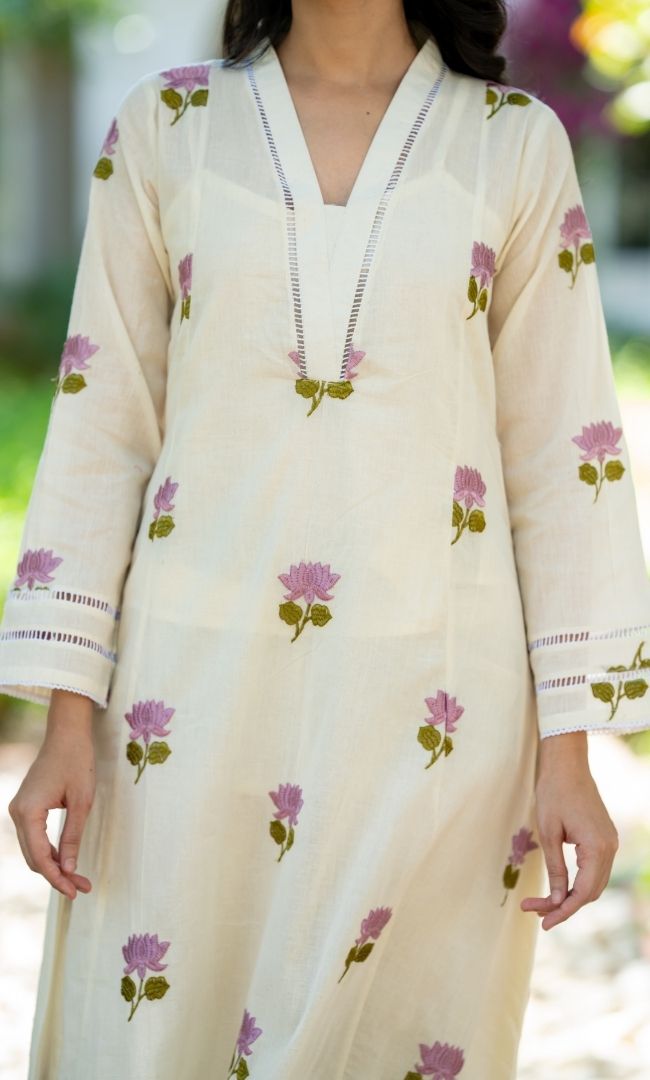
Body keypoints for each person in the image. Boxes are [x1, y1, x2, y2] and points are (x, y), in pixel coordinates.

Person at [3, 0, 650, 1076]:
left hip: (437, 708)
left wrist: (568, 753)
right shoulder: (168, 127)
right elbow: (102, 421)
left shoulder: (511, 144)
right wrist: (67, 720)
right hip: (185, 704)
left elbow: (560, 449)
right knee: (158, 1036)